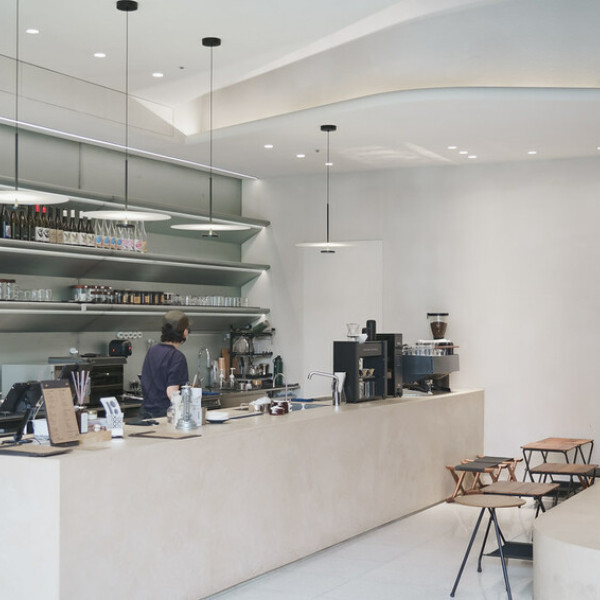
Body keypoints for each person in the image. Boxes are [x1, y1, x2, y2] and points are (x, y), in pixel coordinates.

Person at [140, 310, 190, 418]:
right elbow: (172, 393)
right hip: (165, 415)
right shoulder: (177, 357)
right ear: (185, 332)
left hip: (145, 413)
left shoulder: (152, 350)